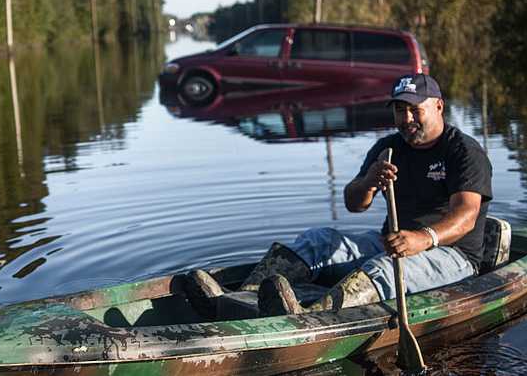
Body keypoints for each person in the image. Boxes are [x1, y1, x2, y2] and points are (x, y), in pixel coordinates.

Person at [185, 73, 493, 317]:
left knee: (382, 270)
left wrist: (422, 239)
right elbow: (353, 203)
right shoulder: (389, 148)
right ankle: (243, 299)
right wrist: (369, 182)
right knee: (319, 240)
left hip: (453, 256)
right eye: (400, 111)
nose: (407, 119)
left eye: (415, 110)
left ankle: (310, 319)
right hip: (393, 243)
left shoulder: (463, 151)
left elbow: (465, 217)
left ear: (438, 106)